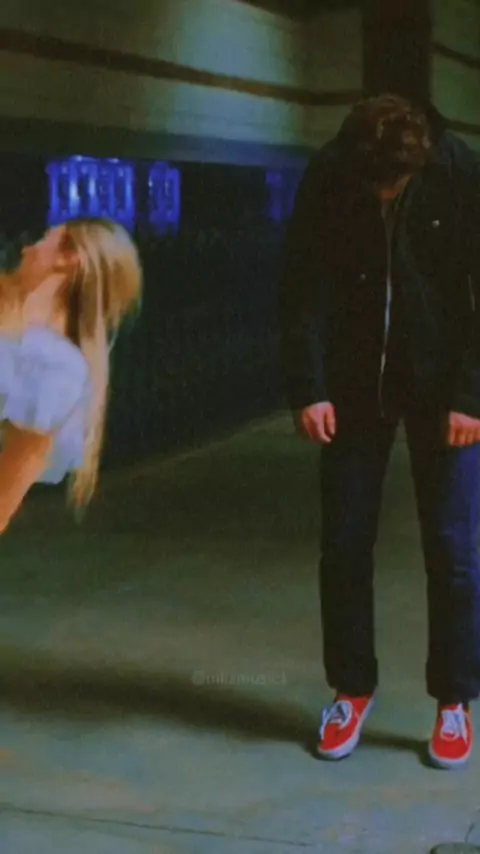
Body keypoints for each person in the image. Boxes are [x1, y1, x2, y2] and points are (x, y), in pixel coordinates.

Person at [278, 93, 480, 770]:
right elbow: (301, 281)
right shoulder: (332, 173)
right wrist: (309, 386)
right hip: (354, 382)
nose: (385, 194)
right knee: (343, 544)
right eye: (377, 183)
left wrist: (471, 396)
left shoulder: (460, 170)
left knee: (453, 550)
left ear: (419, 164)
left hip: (443, 386)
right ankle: (351, 689)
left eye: (395, 183)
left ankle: (454, 700)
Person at [0, 218, 142, 533]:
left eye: (42, 241)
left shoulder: (55, 373)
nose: (26, 250)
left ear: (68, 258)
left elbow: (7, 490)